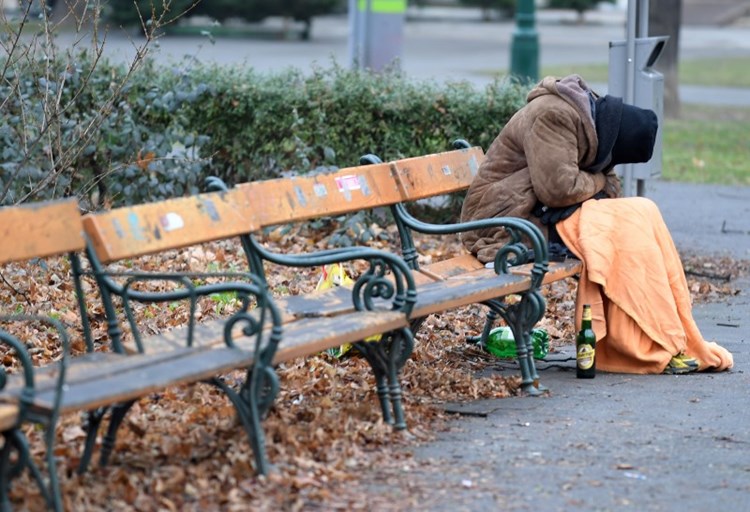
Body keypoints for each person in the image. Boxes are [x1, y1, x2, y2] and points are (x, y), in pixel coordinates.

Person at [460, 74, 733, 375]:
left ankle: (665, 334)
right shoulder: (556, 116)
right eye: (611, 158)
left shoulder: (591, 122)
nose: (608, 167)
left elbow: (608, 189)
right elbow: (560, 189)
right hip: (503, 222)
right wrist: (599, 179)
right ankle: (643, 341)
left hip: (535, 214)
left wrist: (595, 179)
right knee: (620, 228)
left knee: (641, 213)